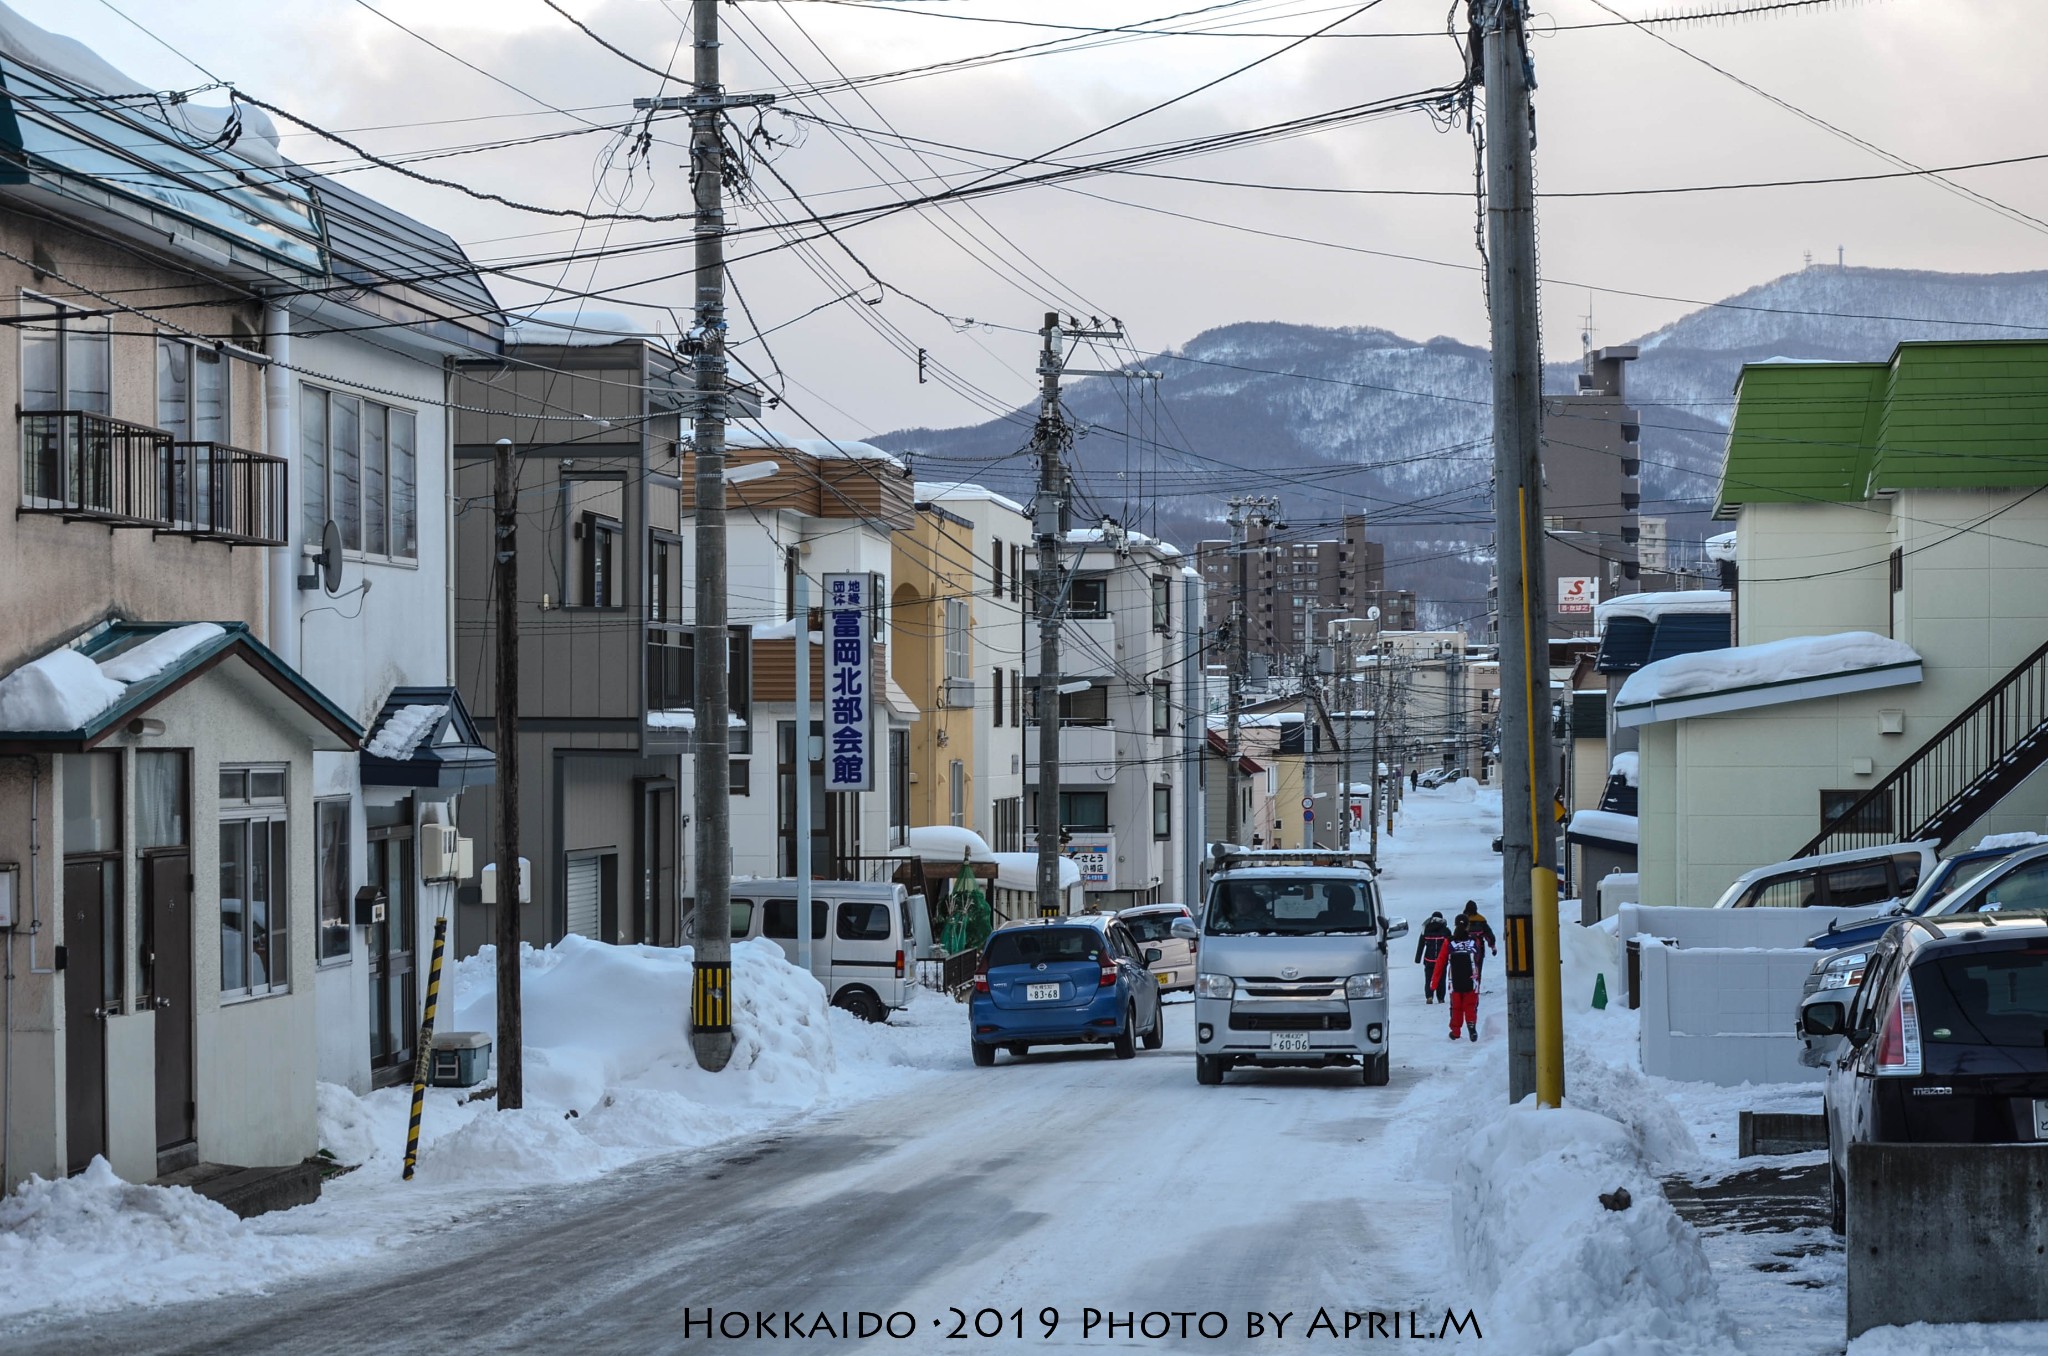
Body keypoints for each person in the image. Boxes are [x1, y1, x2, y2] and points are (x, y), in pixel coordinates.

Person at [1431, 916, 1482, 1041]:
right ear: (1468, 926)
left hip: (1454, 981)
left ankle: (1455, 1032)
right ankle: (1471, 1026)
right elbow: (1478, 957)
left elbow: (1440, 962)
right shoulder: (1474, 940)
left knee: (1456, 1007)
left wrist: (1434, 983)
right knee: (1470, 1005)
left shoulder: (1449, 942)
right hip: (1472, 980)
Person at [1414, 911, 1450, 1003]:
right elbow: (1451, 945)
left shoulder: (1426, 930)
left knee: (1428, 978)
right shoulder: (1446, 931)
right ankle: (1441, 998)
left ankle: (1429, 996)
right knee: (1441, 979)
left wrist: (1417, 959)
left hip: (1428, 959)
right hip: (1442, 960)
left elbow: (1421, 945)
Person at [1459, 900, 1498, 983]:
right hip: (1479, 948)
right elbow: (1489, 935)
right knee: (1478, 966)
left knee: (1464, 968)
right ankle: (1477, 984)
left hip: (1464, 948)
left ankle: (1465, 985)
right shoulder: (1481, 920)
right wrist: (1493, 947)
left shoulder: (1462, 920)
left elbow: (1457, 935)